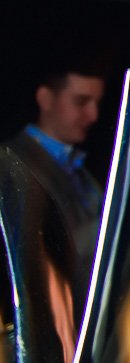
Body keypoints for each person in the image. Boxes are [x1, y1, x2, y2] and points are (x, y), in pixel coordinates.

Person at [4, 63, 105, 278]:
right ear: (45, 98)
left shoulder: (80, 168)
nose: (93, 115)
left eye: (97, 103)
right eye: (81, 102)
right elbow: (36, 252)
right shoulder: (10, 163)